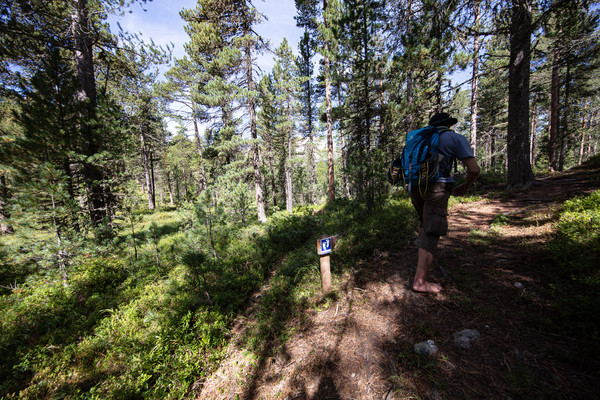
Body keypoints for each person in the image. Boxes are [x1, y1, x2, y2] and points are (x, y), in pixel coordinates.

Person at [410, 112, 480, 293]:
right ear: (448, 124)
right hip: (437, 187)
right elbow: (474, 169)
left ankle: (423, 258)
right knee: (431, 231)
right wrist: (465, 186)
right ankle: (420, 282)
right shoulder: (454, 138)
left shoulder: (419, 139)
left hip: (414, 186)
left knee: (425, 224)